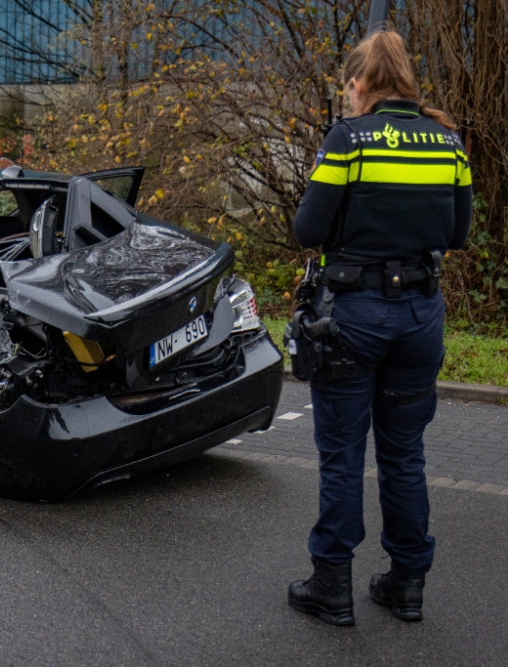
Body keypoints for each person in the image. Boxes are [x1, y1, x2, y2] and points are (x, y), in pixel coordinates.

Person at [286, 29, 472, 626]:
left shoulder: (348, 139)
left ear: (360, 84)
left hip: (353, 316)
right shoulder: (449, 143)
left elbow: (308, 230)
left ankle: (331, 586)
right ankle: (407, 583)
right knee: (405, 454)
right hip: (421, 315)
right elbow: (458, 234)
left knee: (342, 454)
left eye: (348, 85)